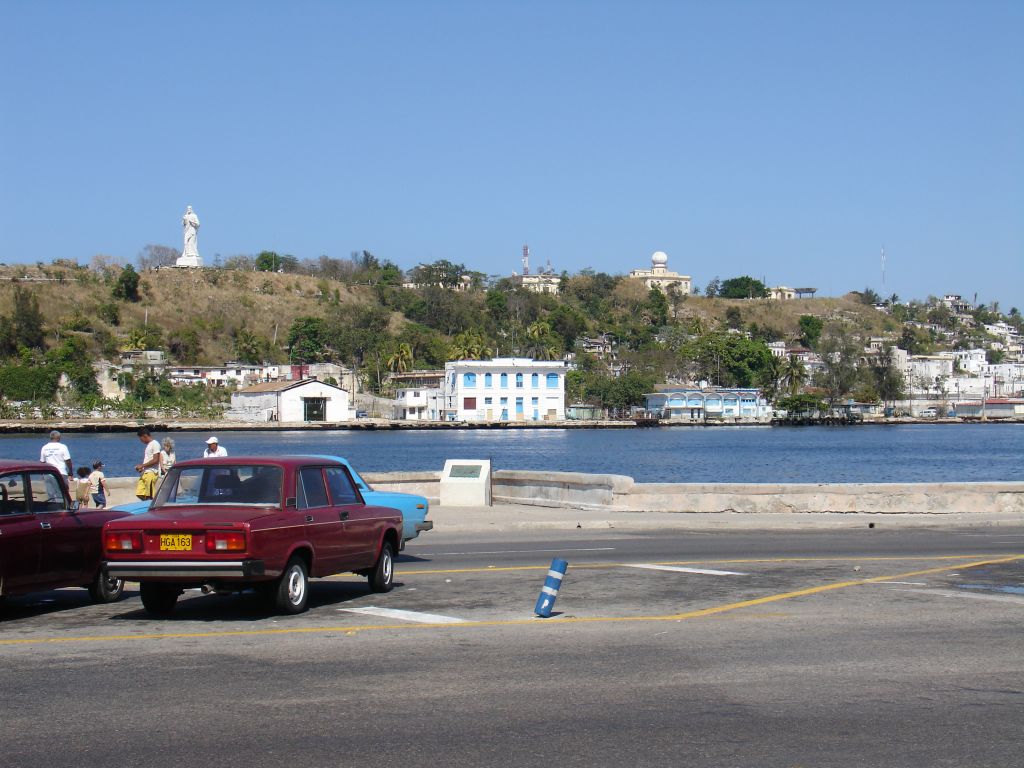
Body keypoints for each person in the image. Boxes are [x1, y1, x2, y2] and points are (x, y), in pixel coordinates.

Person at [134, 427, 162, 500]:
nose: (141, 441)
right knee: (140, 493)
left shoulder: (155, 444)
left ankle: (150, 507)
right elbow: (148, 460)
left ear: (145, 436)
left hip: (151, 473)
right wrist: (142, 468)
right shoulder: (149, 445)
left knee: (149, 495)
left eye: (141, 439)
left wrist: (142, 465)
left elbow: (156, 460)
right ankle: (146, 505)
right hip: (146, 472)